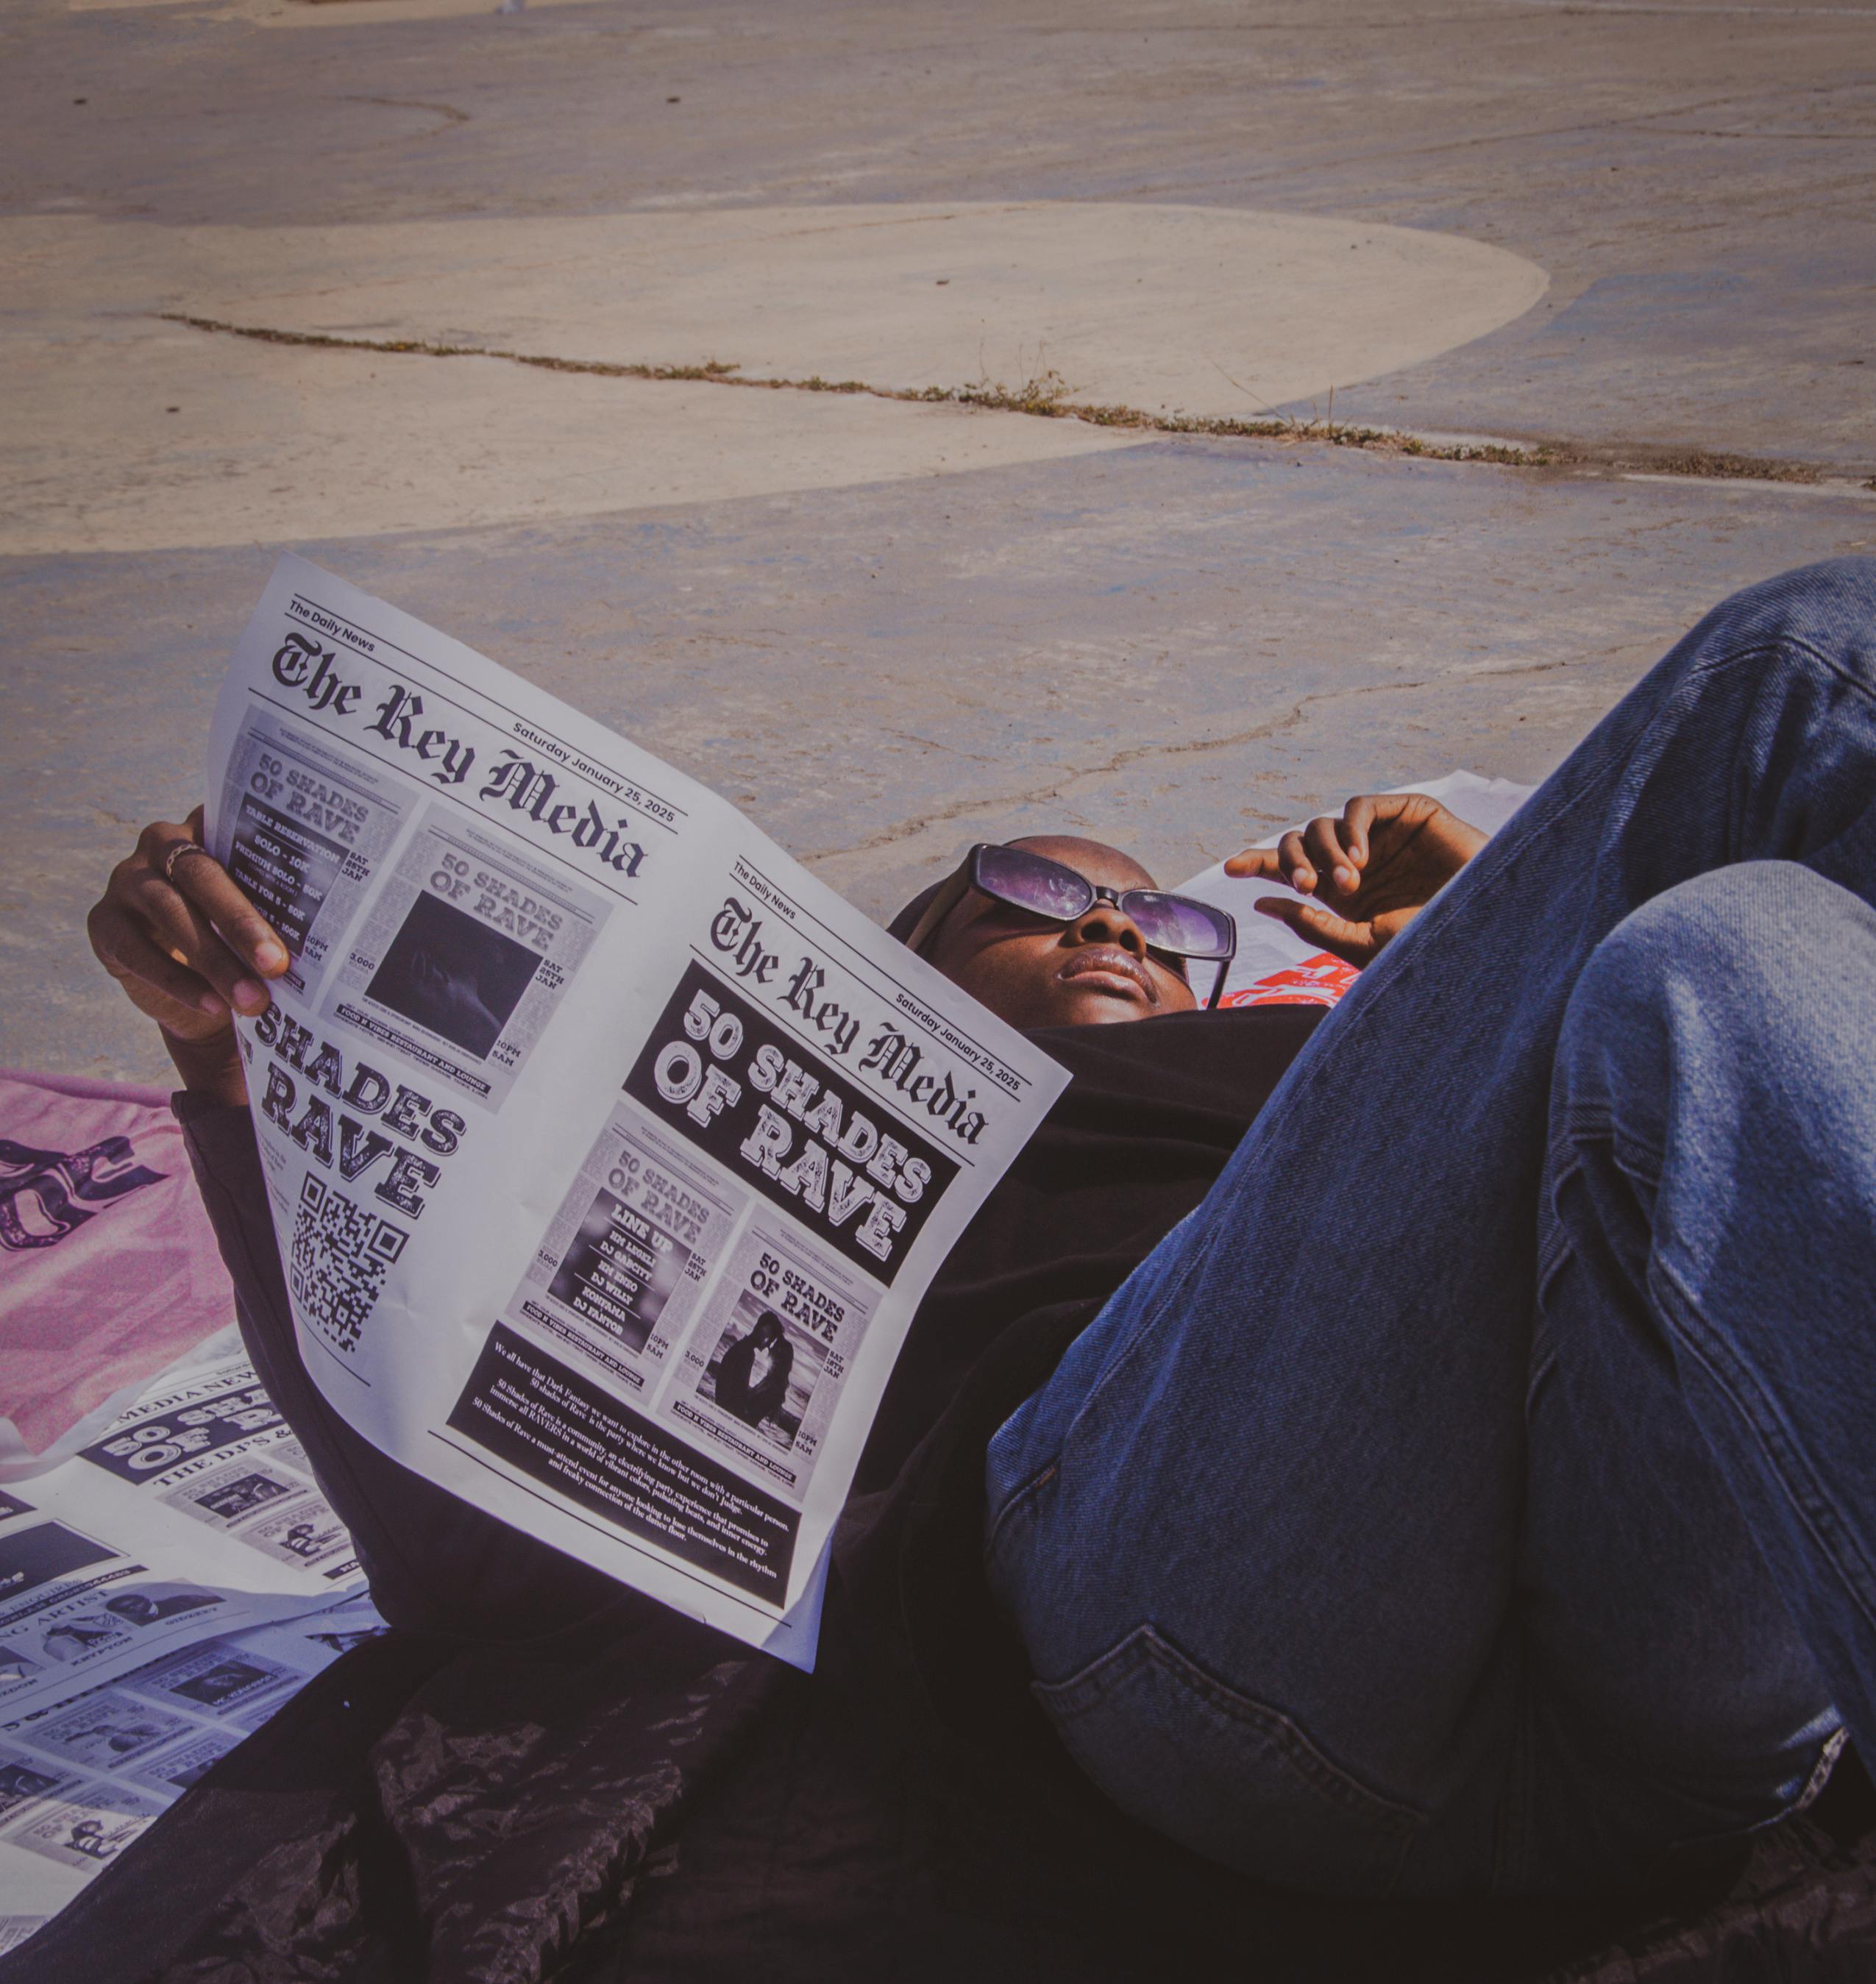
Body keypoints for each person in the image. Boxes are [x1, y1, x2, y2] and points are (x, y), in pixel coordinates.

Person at [86, 559, 1876, 1905]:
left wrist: (1463, 941)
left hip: (1671, 1706)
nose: (1113, 927)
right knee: (1791, 668)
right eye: (1033, 893)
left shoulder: (1295, 1040)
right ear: (908, 967)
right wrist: (227, 1068)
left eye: (1161, 913)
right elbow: (459, 1560)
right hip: (1211, 1642)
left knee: (1726, 953)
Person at [709, 1309, 795, 1432]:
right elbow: (733, 1400)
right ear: (764, 1330)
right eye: (770, 1341)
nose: (767, 1349)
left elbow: (739, 1403)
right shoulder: (747, 1353)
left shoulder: (745, 1350)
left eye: (771, 1347)